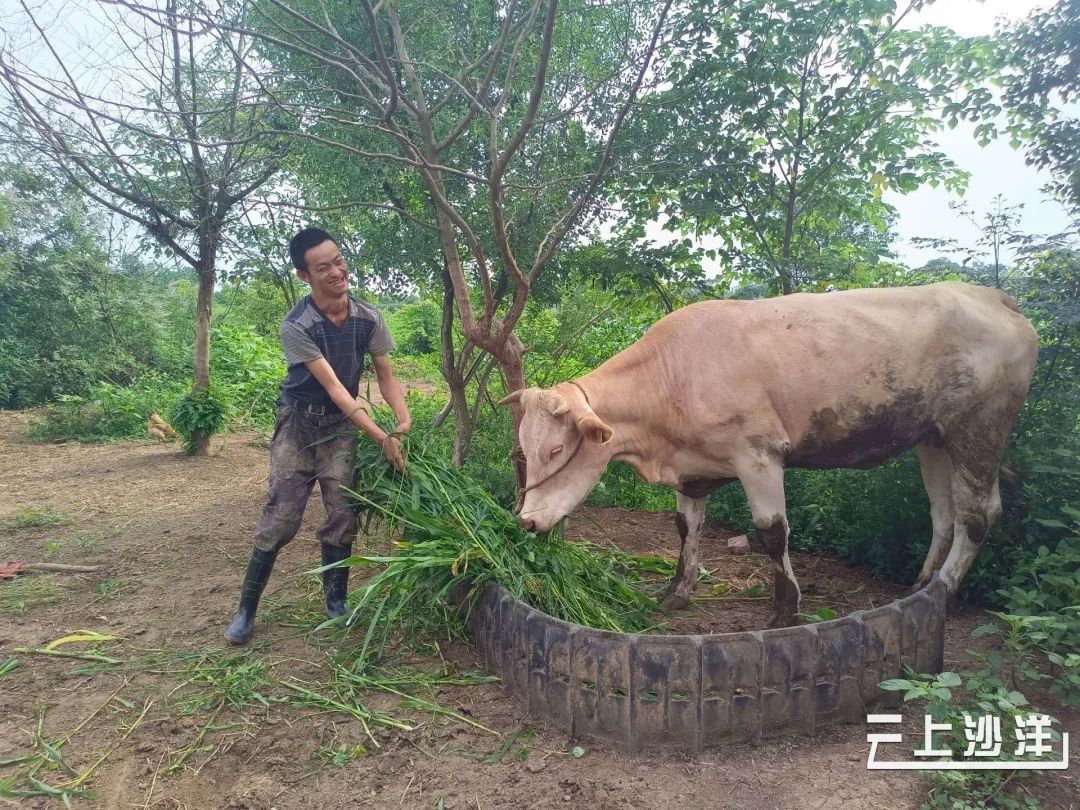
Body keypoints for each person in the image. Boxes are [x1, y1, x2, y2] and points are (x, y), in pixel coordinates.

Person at [224, 228, 411, 645]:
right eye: (322, 267)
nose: (336, 271)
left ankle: (336, 604)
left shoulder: (369, 317)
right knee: (282, 517)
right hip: (299, 423)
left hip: (341, 429)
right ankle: (245, 611)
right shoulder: (297, 325)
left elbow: (386, 376)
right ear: (305, 276)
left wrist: (402, 420)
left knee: (343, 514)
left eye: (338, 260)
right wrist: (382, 436)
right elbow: (336, 390)